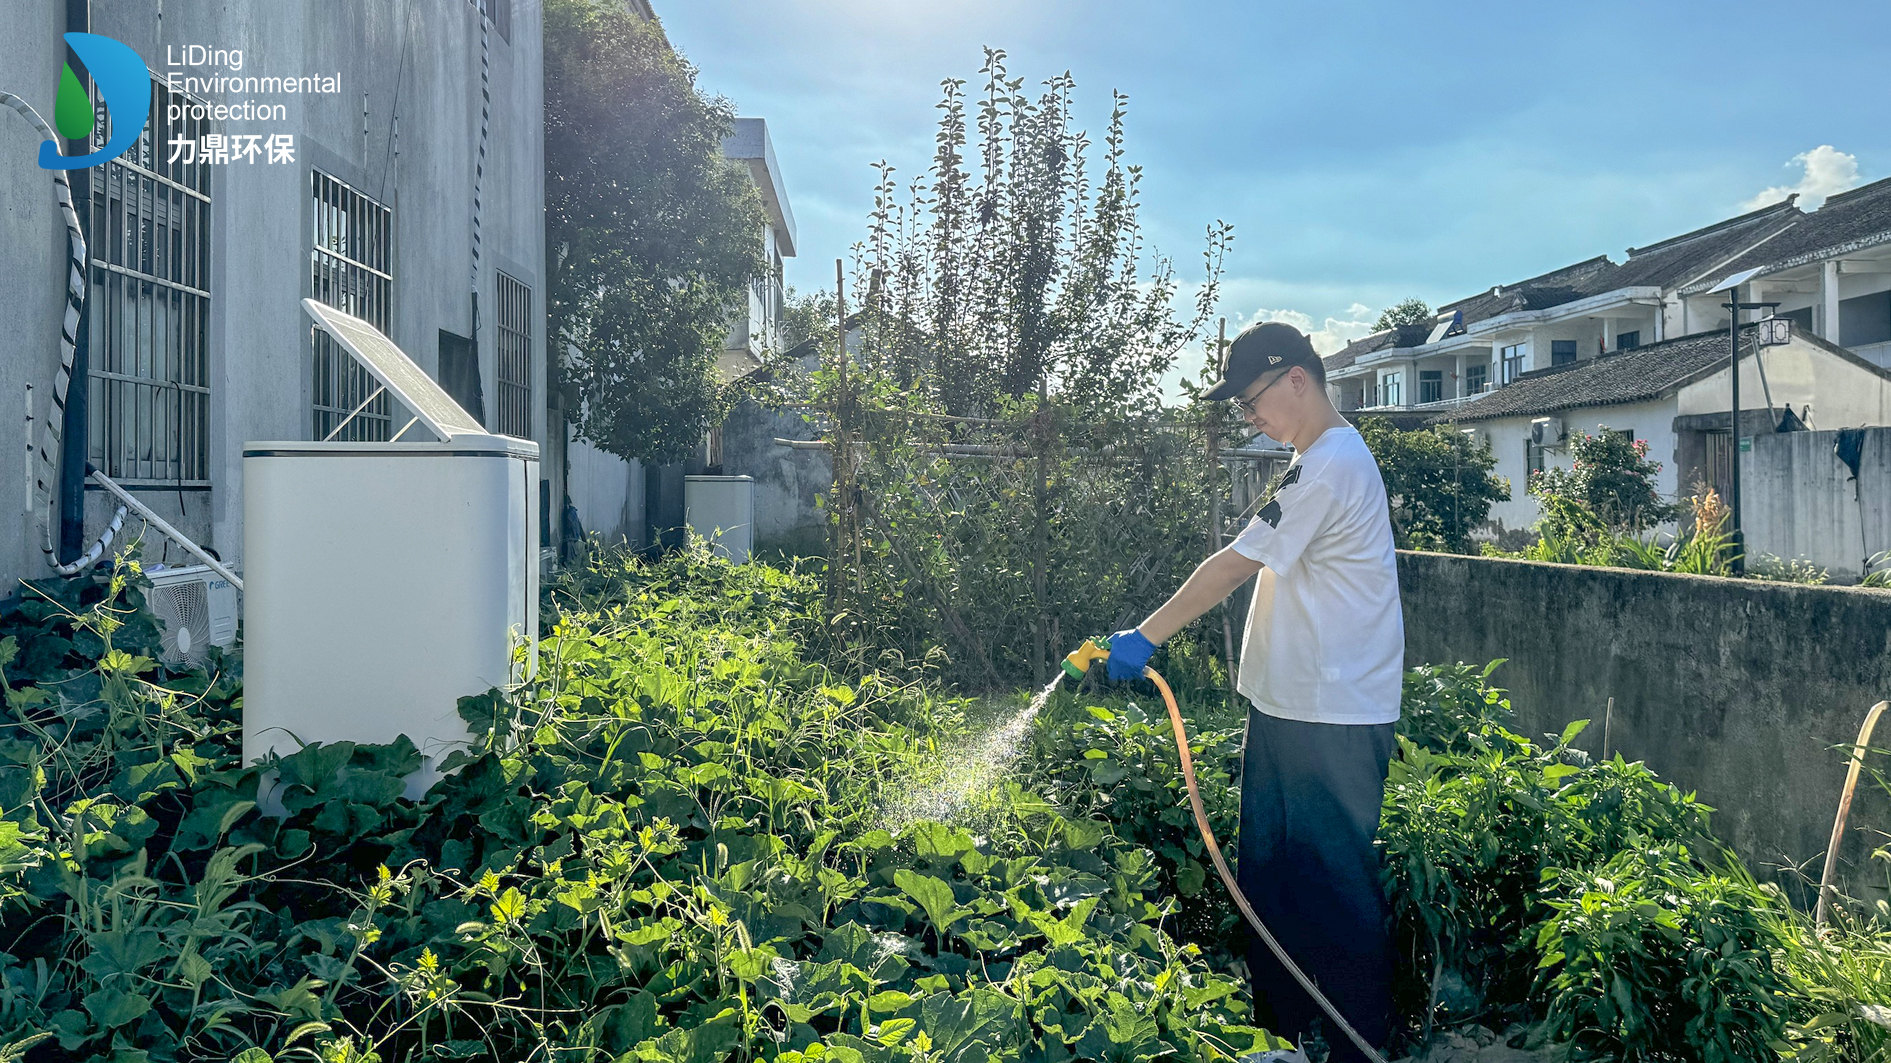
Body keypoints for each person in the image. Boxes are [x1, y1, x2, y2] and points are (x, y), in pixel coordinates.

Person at [1087, 321, 1404, 1063]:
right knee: (1272, 881)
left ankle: (1361, 1046)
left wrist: (1146, 635)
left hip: (1334, 716)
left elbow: (1232, 565)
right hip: (1291, 708)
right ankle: (1285, 1040)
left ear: (1296, 378)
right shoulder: (1310, 464)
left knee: (1336, 888)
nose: (1248, 417)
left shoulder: (1331, 465)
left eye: (1251, 400)